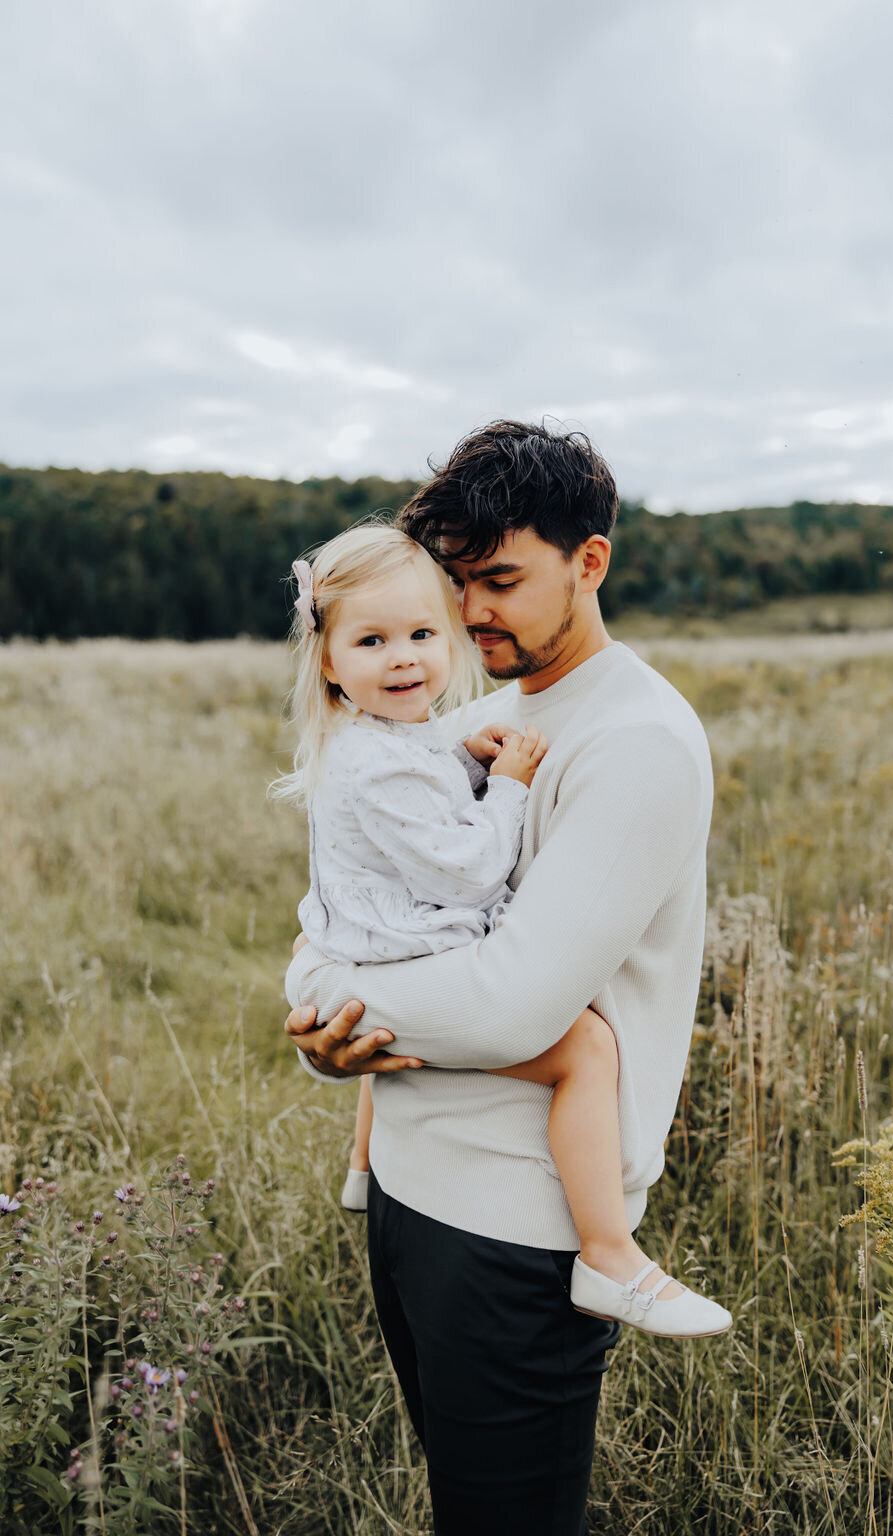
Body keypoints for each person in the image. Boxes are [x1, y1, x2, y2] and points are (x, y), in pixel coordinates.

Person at [285, 421, 725, 1536]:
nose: (473, 615)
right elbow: (344, 901)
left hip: (517, 1230)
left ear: (590, 561)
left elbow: (518, 1005)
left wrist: (338, 1008)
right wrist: (311, 1014)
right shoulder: (482, 715)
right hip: (410, 1187)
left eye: (502, 580)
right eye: (458, 584)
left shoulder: (635, 744)